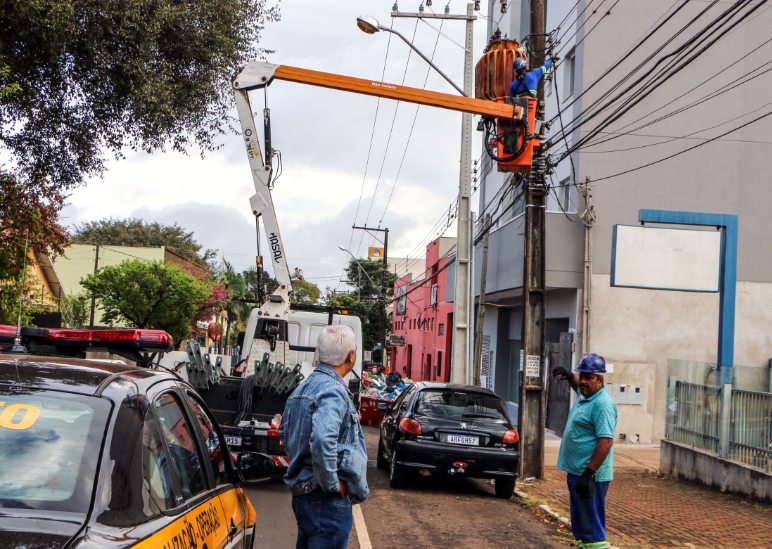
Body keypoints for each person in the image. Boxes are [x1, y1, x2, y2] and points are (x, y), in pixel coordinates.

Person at [280, 325, 369, 549]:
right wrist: (331, 483)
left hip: (304, 497)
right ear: (351, 355)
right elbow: (322, 439)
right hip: (326, 502)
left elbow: (284, 433)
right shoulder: (333, 390)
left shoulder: (303, 388)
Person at [552, 353, 618, 549]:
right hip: (577, 473)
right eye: (582, 376)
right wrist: (570, 376)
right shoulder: (587, 397)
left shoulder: (602, 405)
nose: (583, 381)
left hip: (590, 477)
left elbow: (605, 443)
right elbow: (579, 388)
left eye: (589, 378)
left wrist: (588, 474)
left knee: (592, 528)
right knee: (581, 527)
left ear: (600, 380)